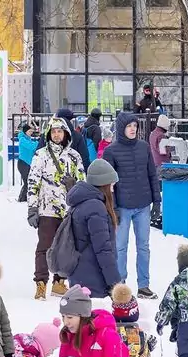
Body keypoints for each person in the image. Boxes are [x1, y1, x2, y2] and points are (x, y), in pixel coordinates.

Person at [103, 111, 161, 299]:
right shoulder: (111, 151)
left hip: (143, 204)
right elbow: (108, 184)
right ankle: (120, 287)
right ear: (121, 128)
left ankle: (144, 285)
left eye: (135, 126)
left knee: (143, 246)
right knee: (120, 246)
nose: (133, 129)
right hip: (123, 208)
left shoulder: (143, 147)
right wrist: (114, 208)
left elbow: (152, 175)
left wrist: (157, 202)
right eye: (129, 126)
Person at [27, 116, 85, 300]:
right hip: (46, 210)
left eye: (60, 131)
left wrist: (74, 184)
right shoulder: (41, 155)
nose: (57, 134)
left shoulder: (74, 156)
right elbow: (33, 182)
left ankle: (59, 282)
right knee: (44, 247)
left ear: (66, 133)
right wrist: (32, 208)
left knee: (65, 248)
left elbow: (83, 183)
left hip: (68, 210)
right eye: (54, 131)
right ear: (49, 134)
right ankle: (41, 283)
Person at [65, 161, 120, 298]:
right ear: (104, 184)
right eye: (111, 184)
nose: (113, 188)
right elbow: (103, 249)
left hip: (80, 274)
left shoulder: (84, 202)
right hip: (92, 278)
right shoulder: (96, 208)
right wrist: (115, 283)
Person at [17, 123, 37, 202]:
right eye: (29, 131)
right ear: (25, 131)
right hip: (23, 163)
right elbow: (31, 147)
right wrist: (38, 142)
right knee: (26, 182)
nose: (31, 133)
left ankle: (24, 198)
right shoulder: (22, 139)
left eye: (32, 131)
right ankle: (21, 199)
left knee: (28, 181)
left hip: (27, 163)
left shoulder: (28, 139)